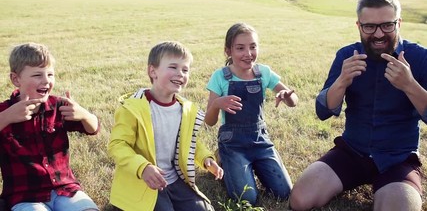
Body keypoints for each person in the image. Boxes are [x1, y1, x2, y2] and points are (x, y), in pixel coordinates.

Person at [289, 0, 427, 211]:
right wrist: (342, 81)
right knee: (300, 200)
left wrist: (409, 85)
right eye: (369, 26)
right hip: (352, 151)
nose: (379, 34)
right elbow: (323, 110)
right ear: (359, 26)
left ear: (399, 23)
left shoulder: (420, 57)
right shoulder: (347, 55)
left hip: (398, 158)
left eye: (387, 25)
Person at [108, 41, 223, 211]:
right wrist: (143, 167)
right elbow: (117, 145)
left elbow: (190, 142)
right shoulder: (133, 109)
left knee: (204, 209)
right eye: (173, 67)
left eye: (185, 70)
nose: (180, 74)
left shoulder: (184, 109)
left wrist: (206, 159)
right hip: (144, 182)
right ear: (152, 71)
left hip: (174, 180)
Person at [205, 22, 298, 205]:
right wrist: (216, 104)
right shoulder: (220, 77)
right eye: (240, 48)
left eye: (253, 47)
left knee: (284, 192)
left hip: (260, 141)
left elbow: (293, 102)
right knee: (247, 199)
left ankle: (253, 165)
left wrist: (287, 96)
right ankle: (224, 158)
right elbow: (209, 121)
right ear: (228, 51)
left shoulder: (263, 72)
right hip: (233, 143)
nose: (248, 54)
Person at [0, 42, 100, 211]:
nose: (46, 81)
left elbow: (94, 129)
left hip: (65, 189)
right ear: (16, 79)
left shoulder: (58, 106)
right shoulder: (4, 111)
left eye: (50, 74)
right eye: (37, 75)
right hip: (25, 196)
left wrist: (84, 114)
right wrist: (7, 117)